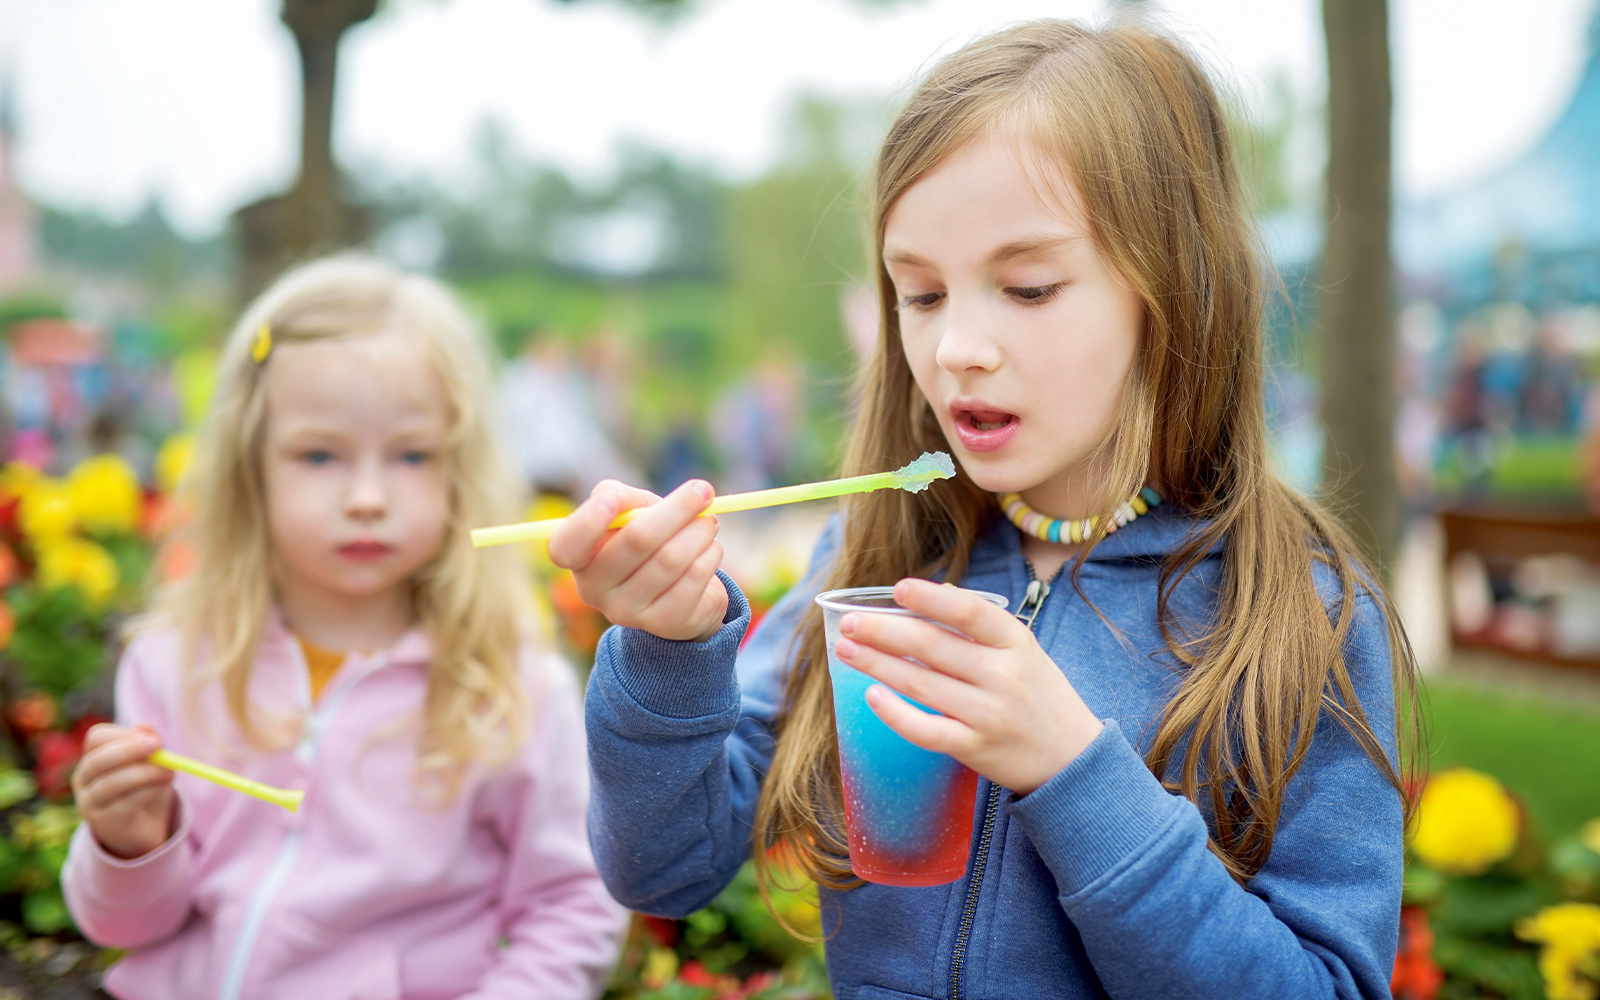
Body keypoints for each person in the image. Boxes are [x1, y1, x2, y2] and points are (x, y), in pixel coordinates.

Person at [552, 20, 1418, 1000]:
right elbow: (663, 868)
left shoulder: (1302, 610)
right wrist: (666, 648)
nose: (958, 345)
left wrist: (1070, 768)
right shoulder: (877, 555)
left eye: (1027, 286)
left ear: (1176, 288)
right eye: (919, 295)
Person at [64, 256, 628, 1000]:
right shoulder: (174, 663)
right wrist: (128, 845)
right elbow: (128, 929)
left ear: (460, 470)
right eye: (320, 454)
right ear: (249, 466)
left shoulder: (510, 684)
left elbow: (570, 906)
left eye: (411, 455)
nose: (367, 496)